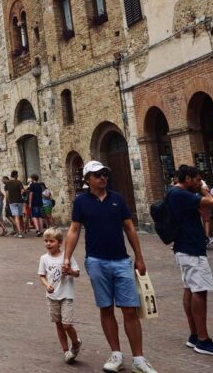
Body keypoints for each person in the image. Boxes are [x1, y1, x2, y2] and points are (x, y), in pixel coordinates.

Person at [63, 160, 156, 373]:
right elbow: (74, 230)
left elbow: (130, 229)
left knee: (130, 310)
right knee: (106, 308)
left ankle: (139, 359)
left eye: (104, 173)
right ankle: (116, 354)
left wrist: (139, 257)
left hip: (121, 260)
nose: (102, 177)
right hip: (96, 261)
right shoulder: (81, 202)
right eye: (97, 175)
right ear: (87, 179)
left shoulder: (117, 199)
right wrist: (66, 258)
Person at [168, 165, 213, 357]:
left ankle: (194, 334)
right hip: (191, 247)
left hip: (184, 246)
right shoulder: (181, 194)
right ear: (187, 178)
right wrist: (203, 188)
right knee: (199, 291)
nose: (198, 182)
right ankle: (203, 340)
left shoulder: (173, 192)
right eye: (196, 179)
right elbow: (212, 201)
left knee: (189, 288)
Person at [39, 226, 81, 363]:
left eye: (51, 241)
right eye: (46, 241)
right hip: (52, 296)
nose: (48, 244)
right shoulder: (44, 258)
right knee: (58, 324)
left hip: (66, 295)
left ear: (59, 242)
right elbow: (42, 276)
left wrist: (70, 272)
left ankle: (75, 342)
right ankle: (66, 351)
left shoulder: (66, 257)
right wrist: (46, 285)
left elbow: (77, 273)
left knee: (66, 324)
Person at [3, 172, 25, 237]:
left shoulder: (8, 183)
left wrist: (7, 202)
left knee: (16, 216)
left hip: (12, 202)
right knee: (20, 216)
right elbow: (23, 191)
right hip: (19, 201)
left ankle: (19, 232)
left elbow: (7, 194)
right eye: (17, 175)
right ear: (15, 175)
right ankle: (22, 230)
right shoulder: (19, 182)